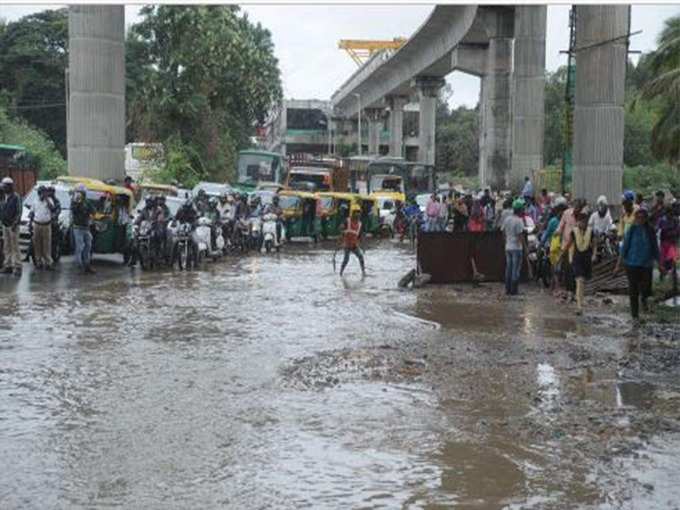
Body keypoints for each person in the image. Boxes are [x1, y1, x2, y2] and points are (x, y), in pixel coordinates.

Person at [615, 206, 659, 323]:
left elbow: (655, 248)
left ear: (646, 218)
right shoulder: (632, 230)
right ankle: (635, 315)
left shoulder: (650, 231)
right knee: (633, 290)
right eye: (638, 217)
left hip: (646, 264)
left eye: (642, 217)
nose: (640, 219)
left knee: (646, 288)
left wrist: (660, 263)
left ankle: (644, 301)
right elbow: (624, 248)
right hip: (632, 263)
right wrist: (618, 265)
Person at [562, 212, 597, 315]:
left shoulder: (591, 232)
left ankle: (580, 300)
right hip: (577, 259)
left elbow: (594, 244)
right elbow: (569, 244)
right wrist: (562, 253)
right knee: (579, 281)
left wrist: (594, 255)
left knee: (583, 282)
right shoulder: (574, 232)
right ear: (578, 222)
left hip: (586, 260)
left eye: (584, 221)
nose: (583, 223)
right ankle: (579, 306)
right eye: (581, 221)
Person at [502, 198, 527, 295]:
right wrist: (525, 248)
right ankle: (514, 290)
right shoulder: (519, 221)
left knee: (508, 268)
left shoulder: (507, 219)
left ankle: (507, 290)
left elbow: (503, 232)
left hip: (508, 247)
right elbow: (521, 236)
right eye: (523, 209)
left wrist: (506, 242)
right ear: (520, 210)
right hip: (517, 248)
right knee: (515, 270)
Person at [71, 184, 96, 274]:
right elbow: (74, 210)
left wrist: (91, 216)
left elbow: (93, 210)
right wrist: (78, 202)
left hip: (86, 227)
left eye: (82, 192)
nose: (81, 194)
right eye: (80, 192)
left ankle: (87, 265)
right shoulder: (74, 201)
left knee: (88, 245)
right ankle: (79, 266)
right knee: (80, 247)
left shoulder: (87, 201)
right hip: (77, 227)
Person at [0, 177, 22, 276]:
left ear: (10, 186)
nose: (3, 188)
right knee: (7, 246)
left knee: (15, 247)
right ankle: (8, 265)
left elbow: (19, 211)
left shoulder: (16, 197)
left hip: (13, 226)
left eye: (5, 186)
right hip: (5, 225)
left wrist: (15, 223)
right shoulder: (3, 197)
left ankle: (17, 266)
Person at [31, 185, 56, 270]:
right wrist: (30, 224)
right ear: (39, 193)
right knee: (37, 244)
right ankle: (39, 262)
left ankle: (48, 262)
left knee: (47, 244)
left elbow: (52, 209)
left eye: (45, 193)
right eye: (42, 193)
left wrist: (47, 200)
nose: (44, 194)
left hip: (46, 225)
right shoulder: (35, 201)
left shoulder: (49, 200)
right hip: (37, 224)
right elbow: (32, 213)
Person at [339, 206, 366, 277]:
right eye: (356, 213)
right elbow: (341, 228)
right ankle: (341, 273)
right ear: (353, 213)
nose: (358, 215)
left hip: (354, 245)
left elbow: (360, 236)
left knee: (361, 257)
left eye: (359, 213)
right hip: (347, 244)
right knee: (346, 260)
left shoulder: (360, 224)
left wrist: (363, 246)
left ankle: (363, 272)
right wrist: (342, 233)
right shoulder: (347, 221)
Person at [658, 205, 679, 282]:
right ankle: (662, 278)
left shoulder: (675, 220)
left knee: (672, 260)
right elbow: (658, 231)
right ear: (665, 213)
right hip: (663, 243)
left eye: (671, 213)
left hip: (672, 243)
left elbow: (678, 231)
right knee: (662, 261)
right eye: (667, 213)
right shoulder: (661, 220)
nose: (669, 215)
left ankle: (674, 278)